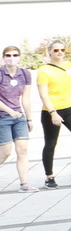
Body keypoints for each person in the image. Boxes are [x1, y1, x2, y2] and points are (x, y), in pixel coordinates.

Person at [36, 40, 71, 188]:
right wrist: (53, 112)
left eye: (62, 50)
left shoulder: (69, 67)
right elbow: (43, 95)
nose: (59, 52)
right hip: (51, 110)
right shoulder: (44, 70)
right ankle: (49, 177)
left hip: (70, 108)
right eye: (56, 50)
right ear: (49, 52)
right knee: (51, 143)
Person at [0, 45, 37, 193]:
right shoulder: (1, 73)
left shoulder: (25, 74)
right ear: (3, 57)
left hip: (19, 117)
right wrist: (9, 111)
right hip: (3, 116)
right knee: (5, 152)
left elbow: (26, 98)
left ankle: (24, 184)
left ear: (19, 57)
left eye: (15, 55)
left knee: (22, 150)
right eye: (8, 55)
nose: (11, 58)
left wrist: (29, 118)